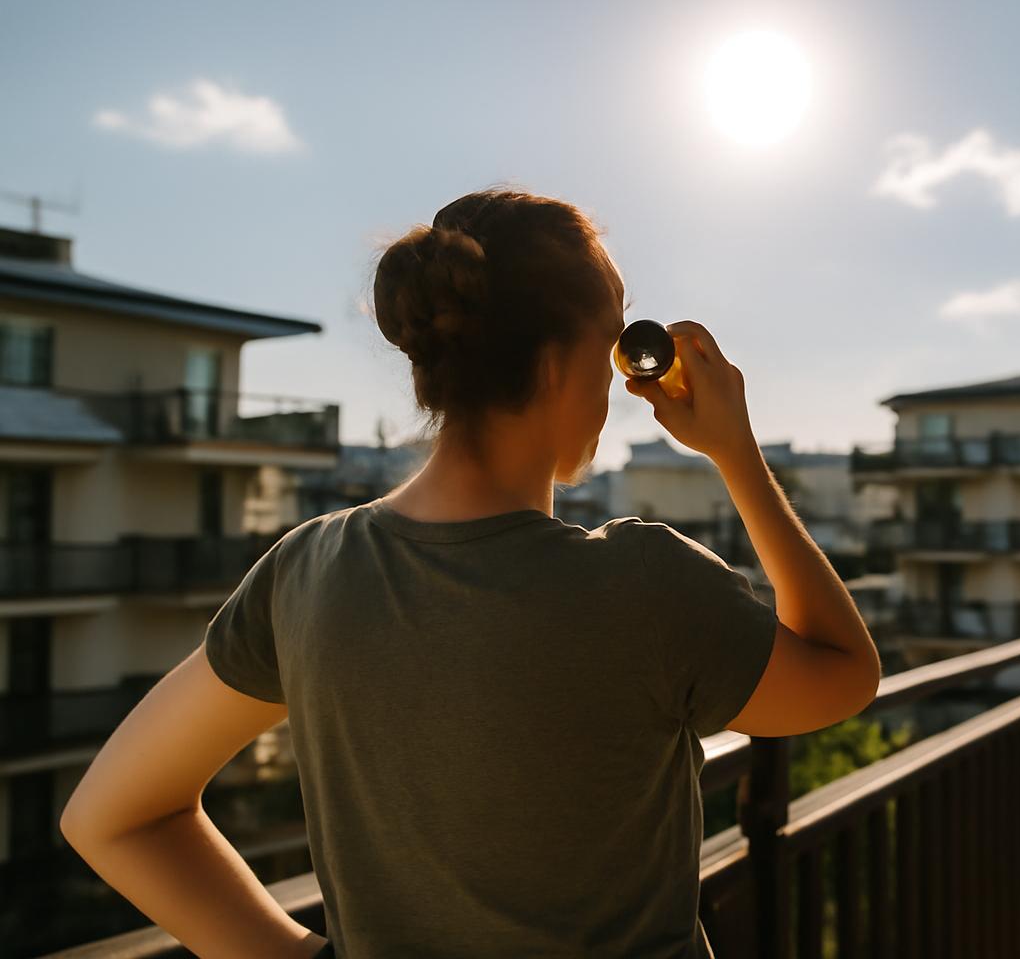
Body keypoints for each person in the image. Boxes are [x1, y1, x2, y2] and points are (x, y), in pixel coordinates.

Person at [59, 186, 882, 958]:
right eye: (616, 341)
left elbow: (114, 818)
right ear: (561, 363)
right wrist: (737, 454)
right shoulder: (645, 586)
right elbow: (843, 676)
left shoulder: (305, 573)